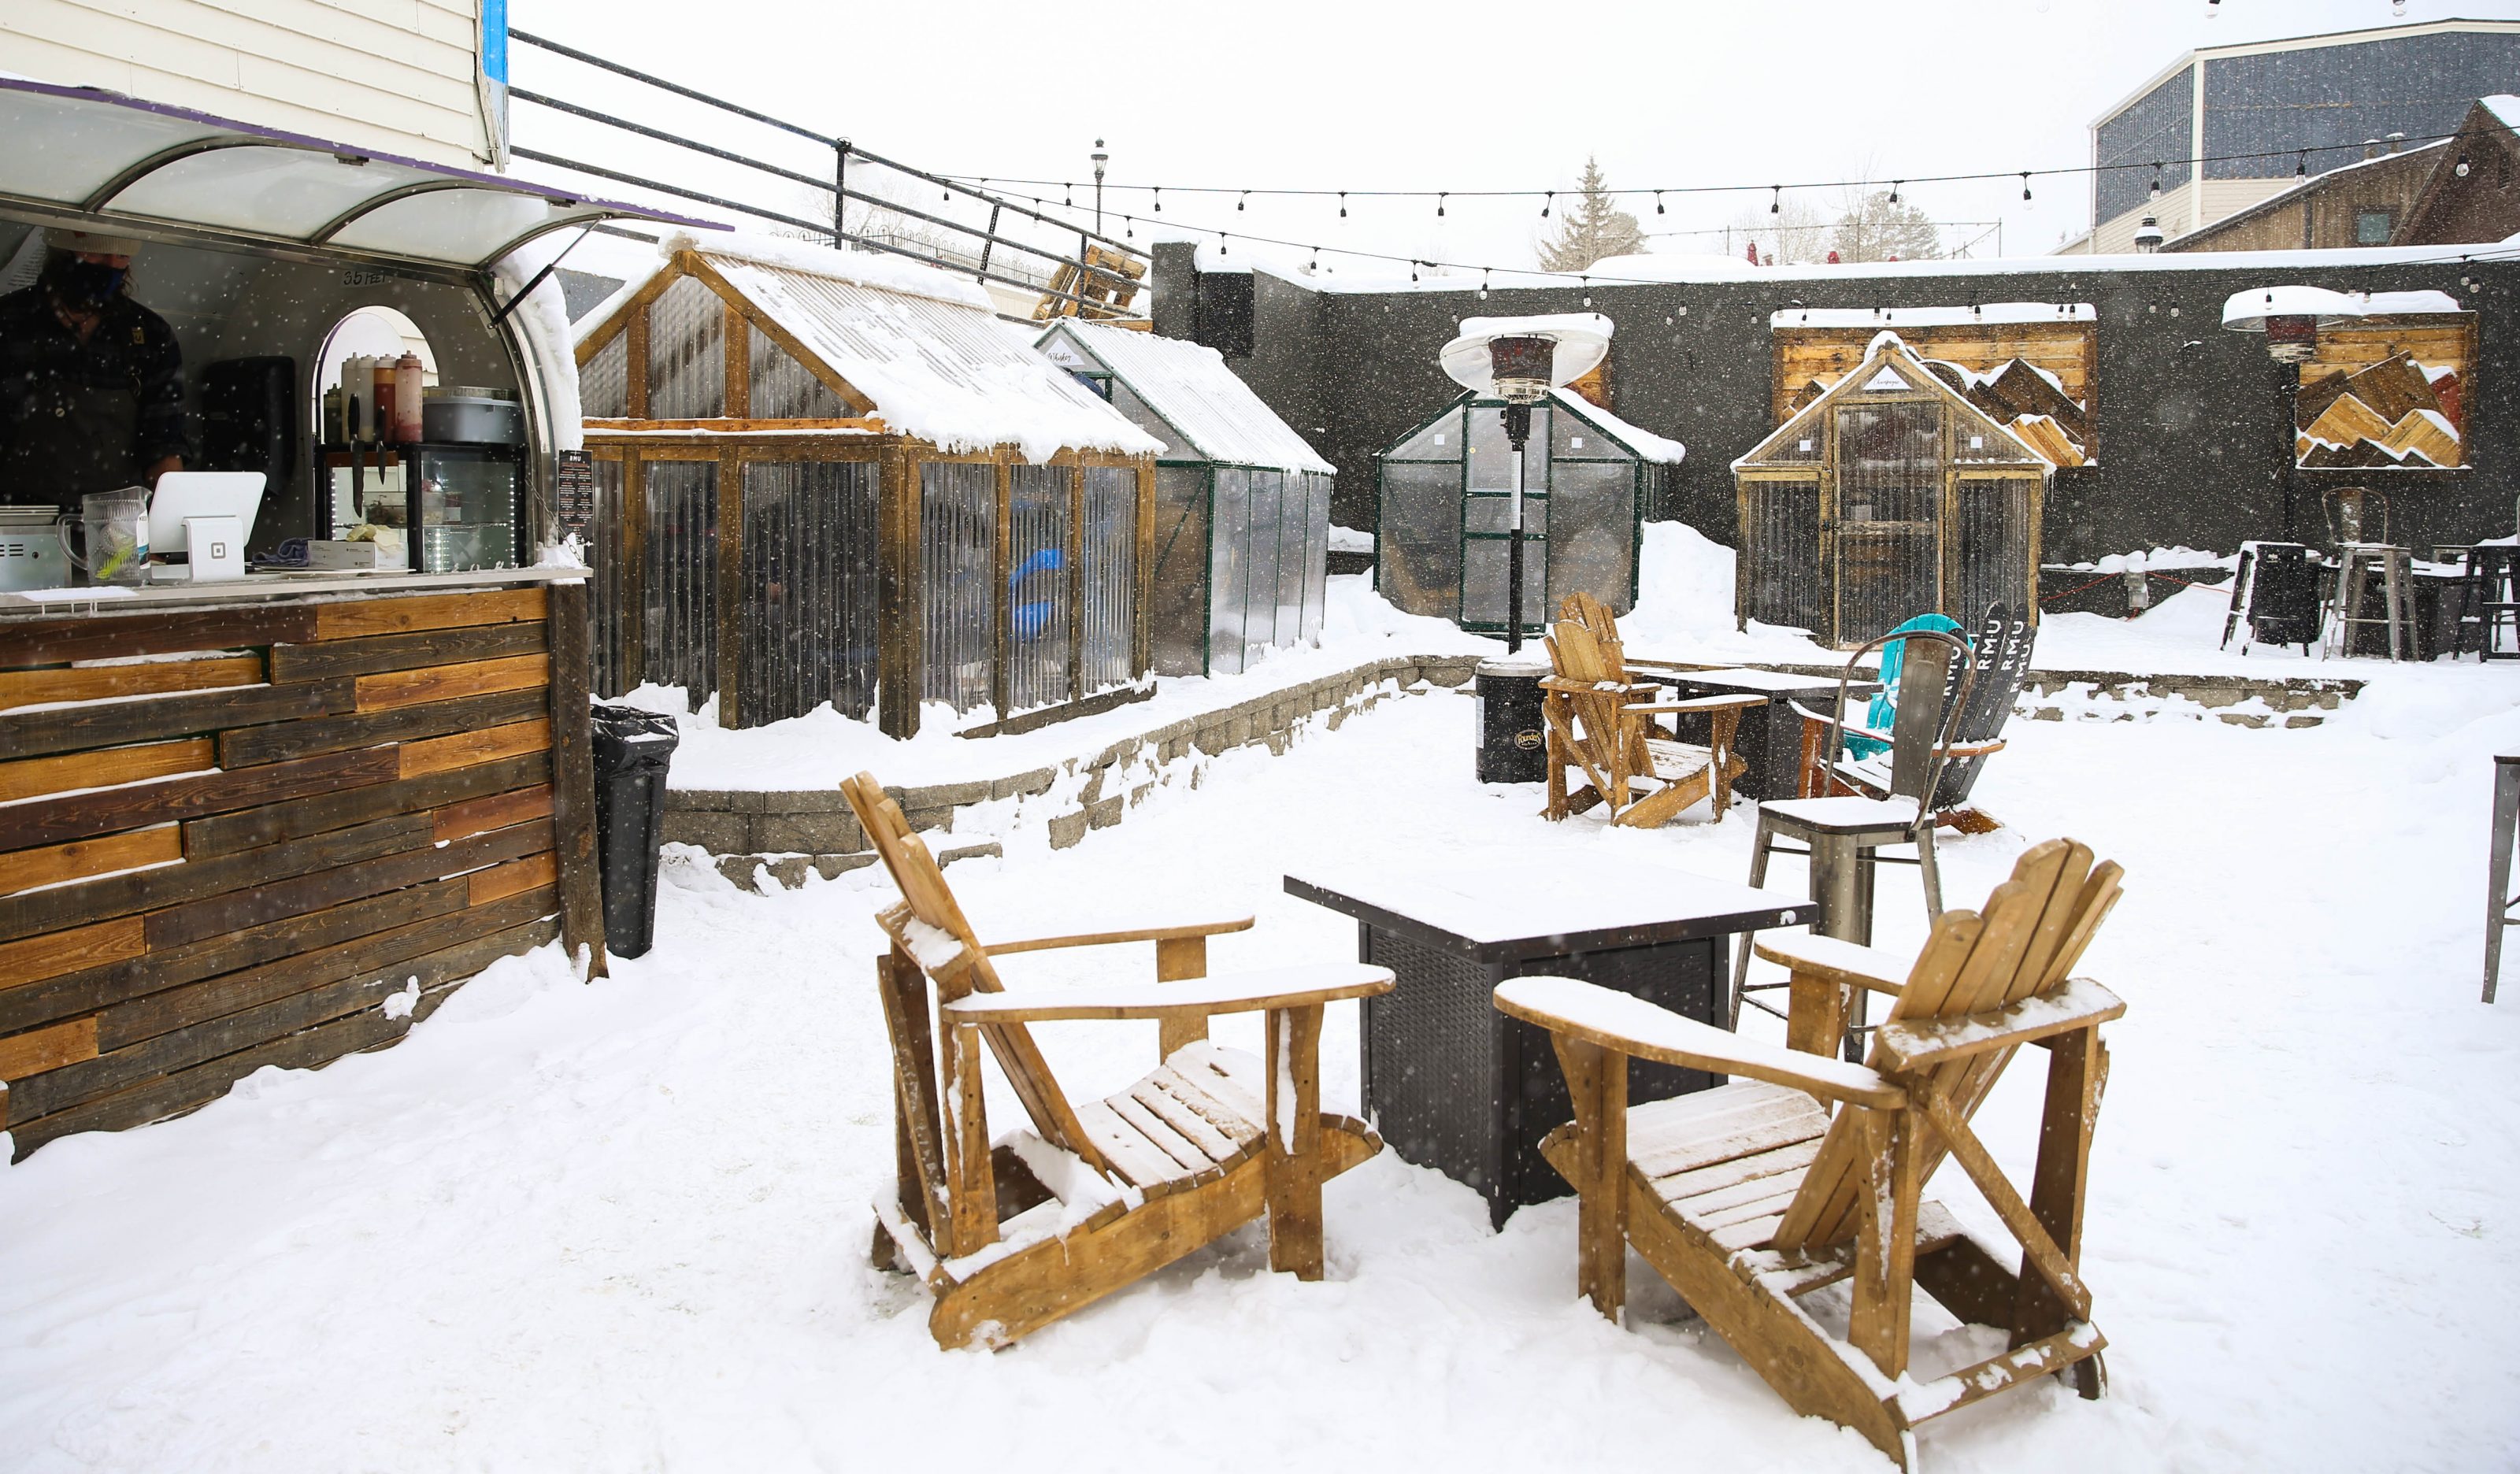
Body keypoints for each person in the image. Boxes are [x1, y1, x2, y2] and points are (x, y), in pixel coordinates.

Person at [0, 229, 187, 516]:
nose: (110, 265)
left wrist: (163, 527)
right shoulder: (9, 322)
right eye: (96, 252)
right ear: (60, 254)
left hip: (115, 529)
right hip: (18, 523)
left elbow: (164, 446)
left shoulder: (150, 334)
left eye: (121, 255)